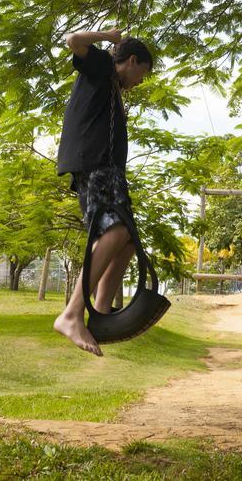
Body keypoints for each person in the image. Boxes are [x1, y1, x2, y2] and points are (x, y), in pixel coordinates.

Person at [52, 28, 154, 356]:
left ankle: (101, 314)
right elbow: (72, 40)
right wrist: (108, 35)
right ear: (132, 60)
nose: (141, 80)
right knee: (117, 230)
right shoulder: (102, 66)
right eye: (143, 72)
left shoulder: (110, 85)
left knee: (126, 243)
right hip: (95, 166)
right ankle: (71, 314)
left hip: (107, 170)